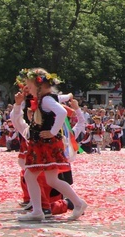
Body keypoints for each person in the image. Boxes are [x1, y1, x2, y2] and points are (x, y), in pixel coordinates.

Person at [11, 68, 87, 222]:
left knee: (30, 175)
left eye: (30, 86)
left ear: (39, 86)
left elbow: (62, 112)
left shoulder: (45, 100)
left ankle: (38, 210)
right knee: (50, 179)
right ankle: (78, 203)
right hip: (45, 144)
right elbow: (61, 99)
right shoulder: (47, 98)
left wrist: (52, 132)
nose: (28, 89)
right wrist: (69, 96)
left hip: (44, 144)